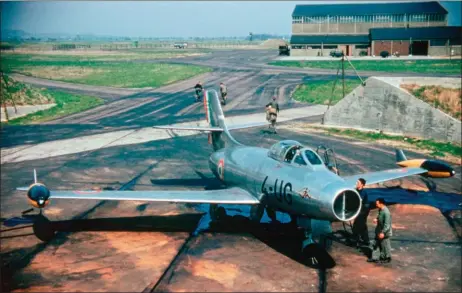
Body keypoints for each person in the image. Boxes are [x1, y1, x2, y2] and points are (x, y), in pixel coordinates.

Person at [368, 197, 393, 264]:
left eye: (377, 204)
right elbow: (379, 215)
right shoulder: (380, 209)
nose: (376, 205)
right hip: (379, 230)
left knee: (384, 245)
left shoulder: (386, 212)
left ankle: (387, 258)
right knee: (376, 243)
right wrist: (377, 219)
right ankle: (375, 257)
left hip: (384, 232)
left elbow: (387, 225)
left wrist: (383, 232)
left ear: (381, 203)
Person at [351, 178, 370, 249]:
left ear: (362, 184)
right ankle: (366, 240)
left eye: (358, 182)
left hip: (364, 210)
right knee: (362, 225)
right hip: (359, 210)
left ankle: (356, 241)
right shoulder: (356, 191)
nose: (356, 183)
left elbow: (359, 200)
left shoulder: (363, 192)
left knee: (357, 225)